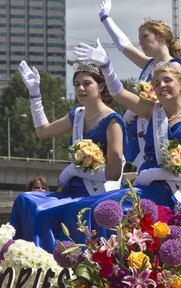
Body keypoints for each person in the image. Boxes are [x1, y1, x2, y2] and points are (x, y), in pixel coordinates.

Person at [73, 39, 181, 209]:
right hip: (143, 187)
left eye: (167, 80)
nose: (161, 86)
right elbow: (119, 93)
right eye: (156, 83)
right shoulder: (152, 111)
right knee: (94, 205)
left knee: (105, 206)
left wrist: (154, 174)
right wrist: (106, 66)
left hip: (169, 192)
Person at [10, 61, 126, 252]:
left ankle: (51, 266)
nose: (81, 88)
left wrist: (74, 169)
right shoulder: (77, 116)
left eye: (87, 83)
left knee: (42, 211)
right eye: (77, 84)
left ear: (102, 86)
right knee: (25, 200)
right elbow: (42, 131)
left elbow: (114, 173)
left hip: (97, 192)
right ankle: (23, 261)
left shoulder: (112, 121)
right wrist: (34, 95)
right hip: (72, 190)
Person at [98, 0, 181, 170]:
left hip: (158, 134)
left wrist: (134, 109)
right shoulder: (149, 64)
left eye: (145, 37)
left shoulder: (174, 66)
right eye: (139, 39)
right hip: (138, 135)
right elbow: (124, 46)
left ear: (161, 37)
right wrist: (106, 19)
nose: (141, 42)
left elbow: (169, 103)